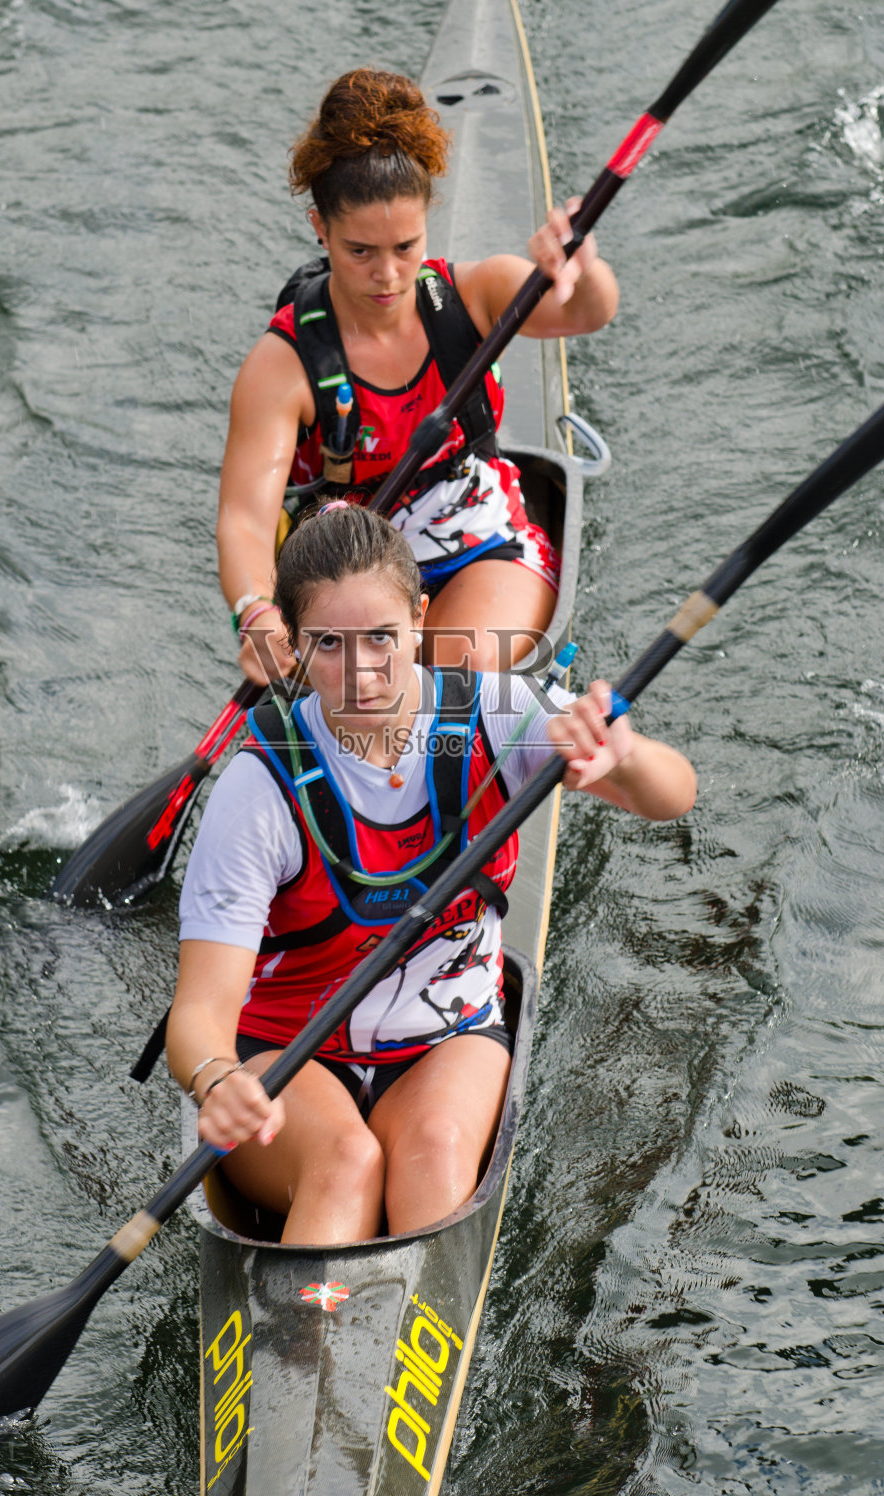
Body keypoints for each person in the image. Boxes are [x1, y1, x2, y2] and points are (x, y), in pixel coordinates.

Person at [167, 504, 695, 1246]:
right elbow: (196, 1018)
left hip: (446, 1040)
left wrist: (626, 758)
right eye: (328, 645)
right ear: (290, 645)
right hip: (290, 1052)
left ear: (420, 618)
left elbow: (675, 796)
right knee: (346, 1164)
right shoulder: (257, 791)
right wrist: (217, 1078)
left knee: (436, 1156)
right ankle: (304, 1347)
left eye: (382, 638)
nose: (361, 674)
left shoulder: (496, 713)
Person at [218, 66, 619, 684]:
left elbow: (588, 311)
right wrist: (257, 612)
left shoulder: (476, 293)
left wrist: (579, 266)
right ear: (320, 230)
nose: (388, 276)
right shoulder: (282, 366)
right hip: (348, 558)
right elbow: (246, 518)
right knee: (373, 683)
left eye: (406, 247)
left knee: (457, 668)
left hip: (473, 533)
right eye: (360, 252)